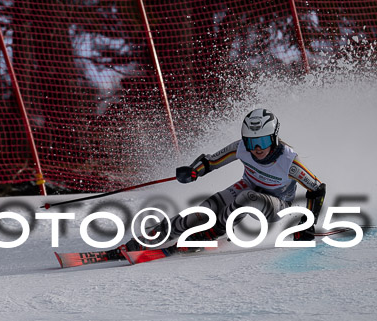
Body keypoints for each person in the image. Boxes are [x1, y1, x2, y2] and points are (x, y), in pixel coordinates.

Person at [112, 108, 326, 256]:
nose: (257, 149)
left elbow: (317, 189)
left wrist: (307, 225)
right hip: (248, 187)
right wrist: (193, 172)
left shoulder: (289, 161)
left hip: (276, 204)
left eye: (262, 141)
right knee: (201, 211)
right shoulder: (242, 148)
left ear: (274, 138)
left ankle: (212, 232)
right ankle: (150, 237)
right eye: (252, 142)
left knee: (247, 197)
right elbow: (211, 161)